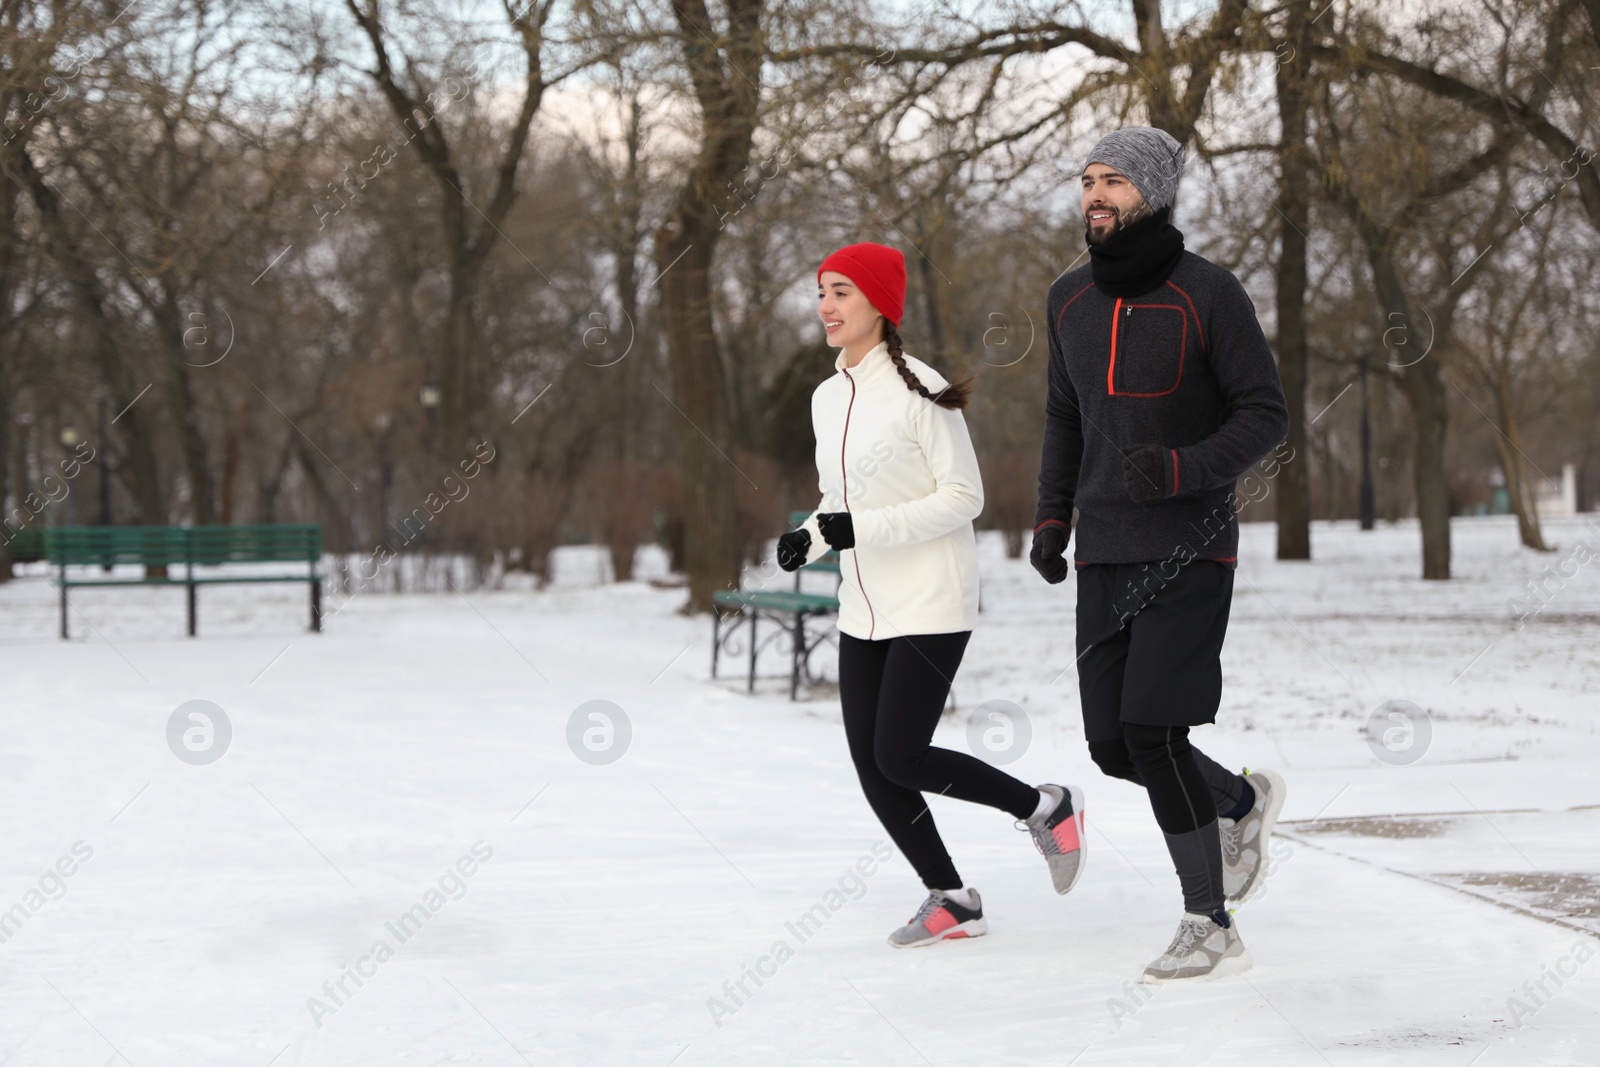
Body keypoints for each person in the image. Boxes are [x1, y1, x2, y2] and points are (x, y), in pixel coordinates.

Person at [1030, 127, 1291, 983]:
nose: (1095, 194)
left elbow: (1264, 413)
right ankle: (1240, 802)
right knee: (1111, 744)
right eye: (1088, 180)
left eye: (1113, 181)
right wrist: (1049, 520)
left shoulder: (1209, 293)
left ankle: (1208, 922)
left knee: (1152, 729)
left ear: (1153, 192)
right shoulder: (1067, 299)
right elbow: (1063, 418)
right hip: (1104, 549)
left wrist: (1184, 468)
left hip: (1189, 547)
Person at [777, 241, 1085, 949]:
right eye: (822, 290)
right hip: (865, 603)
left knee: (902, 754)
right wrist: (816, 536)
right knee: (873, 763)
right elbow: (841, 498)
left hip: (932, 597)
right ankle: (950, 896)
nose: (826, 305)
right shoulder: (828, 397)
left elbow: (964, 497)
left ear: (880, 304)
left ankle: (1044, 805)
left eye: (842, 291)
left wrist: (856, 526)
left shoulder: (921, 387)